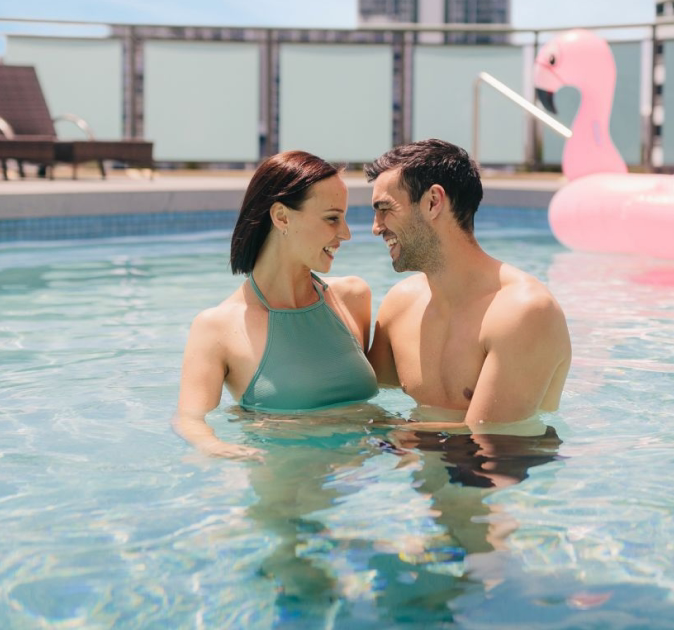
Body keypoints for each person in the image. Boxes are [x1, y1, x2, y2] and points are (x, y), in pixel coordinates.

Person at [174, 150, 380, 459]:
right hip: (282, 487)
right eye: (332, 218)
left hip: (358, 484)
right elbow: (190, 421)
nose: (346, 234)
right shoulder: (216, 327)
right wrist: (227, 451)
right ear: (282, 216)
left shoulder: (352, 298)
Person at [365, 139, 571, 429]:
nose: (376, 227)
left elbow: (490, 442)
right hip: (423, 469)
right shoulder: (400, 305)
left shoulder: (523, 311)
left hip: (505, 469)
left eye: (385, 209)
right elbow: (373, 409)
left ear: (433, 202)